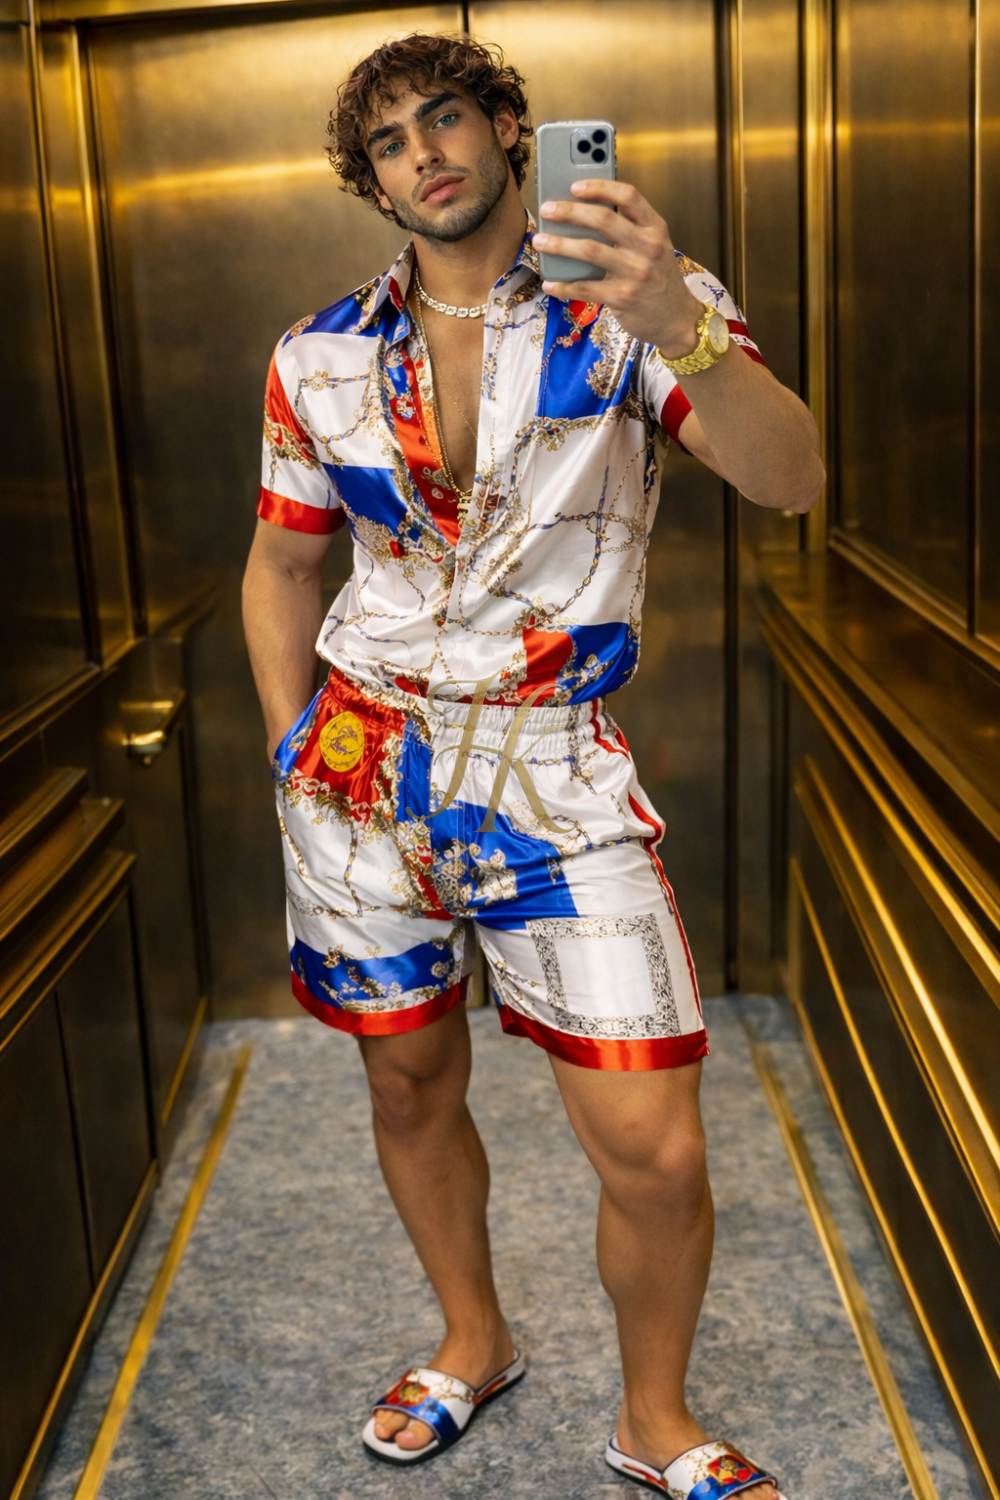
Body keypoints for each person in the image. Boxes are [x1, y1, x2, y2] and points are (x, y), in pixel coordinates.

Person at [242, 31, 821, 1499]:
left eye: (445, 118)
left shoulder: (632, 310)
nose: (422, 153)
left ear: (509, 127)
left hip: (552, 772)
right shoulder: (317, 354)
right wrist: (292, 746)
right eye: (388, 142)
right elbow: (282, 566)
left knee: (655, 1146)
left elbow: (794, 480)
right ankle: (472, 1337)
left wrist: (674, 314)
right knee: (408, 1086)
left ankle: (656, 1420)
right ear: (372, 180)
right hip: (359, 770)